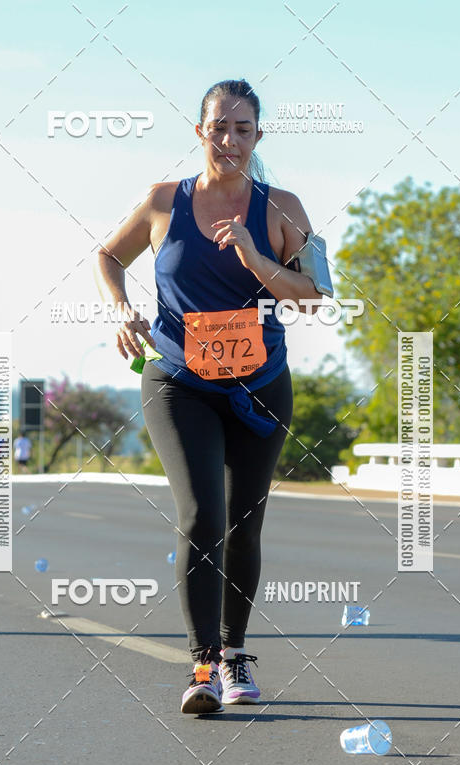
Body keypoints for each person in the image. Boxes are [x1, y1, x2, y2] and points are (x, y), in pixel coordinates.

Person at [95, 79, 322, 713]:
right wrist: (122, 311)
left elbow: (312, 293)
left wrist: (255, 257)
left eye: (242, 129)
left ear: (258, 137)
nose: (229, 139)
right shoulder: (163, 200)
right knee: (202, 516)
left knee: (245, 522)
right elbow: (109, 257)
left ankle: (234, 653)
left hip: (259, 386)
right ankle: (201, 668)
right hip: (178, 381)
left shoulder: (283, 209)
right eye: (218, 127)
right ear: (200, 131)